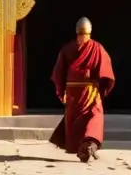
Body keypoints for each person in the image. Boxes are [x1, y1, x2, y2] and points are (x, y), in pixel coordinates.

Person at [48, 17, 115, 163]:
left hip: (72, 91)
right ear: (90, 32)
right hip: (90, 90)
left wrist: (61, 90)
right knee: (94, 115)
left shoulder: (67, 48)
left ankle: (81, 146)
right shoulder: (97, 48)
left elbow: (58, 73)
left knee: (75, 119)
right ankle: (89, 144)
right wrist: (101, 87)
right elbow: (106, 72)